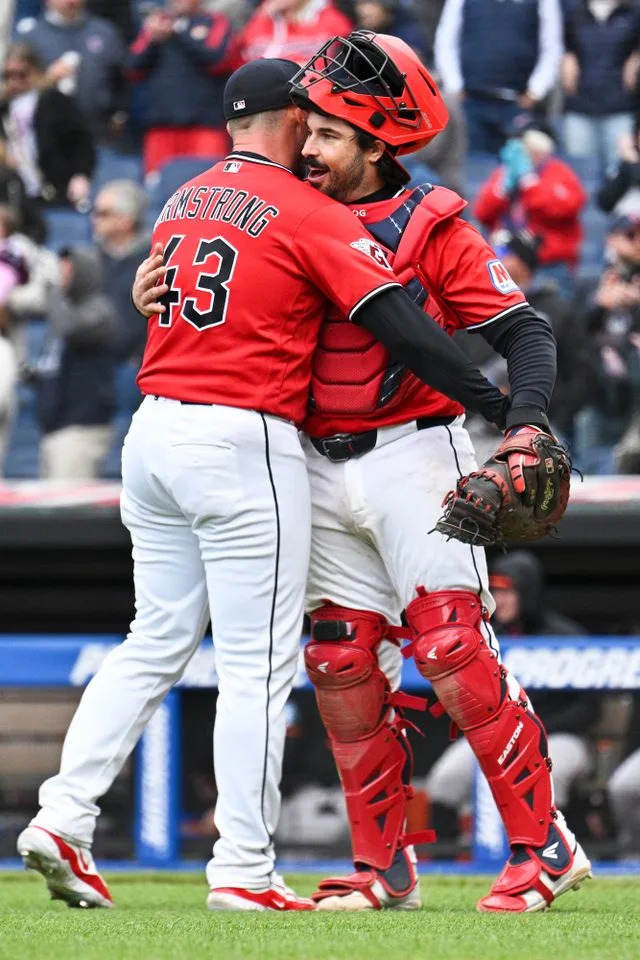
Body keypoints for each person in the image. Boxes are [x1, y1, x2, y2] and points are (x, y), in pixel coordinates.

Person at [16, 56, 511, 913]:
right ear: (288, 117)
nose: (319, 132)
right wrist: (502, 406)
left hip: (154, 432)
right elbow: (400, 325)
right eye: (311, 116)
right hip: (239, 437)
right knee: (256, 665)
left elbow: (182, 291)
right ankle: (243, 869)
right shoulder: (304, 204)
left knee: (152, 640)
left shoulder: (180, 196)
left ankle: (62, 813)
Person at [287, 30, 591, 913]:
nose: (309, 146)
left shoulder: (432, 223)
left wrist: (526, 424)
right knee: (342, 662)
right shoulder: (284, 208)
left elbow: (525, 331)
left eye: (331, 133)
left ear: (380, 140)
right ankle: (386, 869)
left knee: (454, 649)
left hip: (414, 450)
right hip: (310, 461)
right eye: (309, 127)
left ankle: (545, 846)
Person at [426, 550, 599, 841]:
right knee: (446, 778)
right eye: (495, 591)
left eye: (508, 592)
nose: (500, 599)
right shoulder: (485, 638)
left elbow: (589, 709)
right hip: (497, 732)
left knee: (549, 776)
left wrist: (533, 728)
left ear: (527, 593)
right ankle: (449, 859)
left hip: (558, 734)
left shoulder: (565, 636)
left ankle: (561, 854)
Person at [30, 245, 117, 479]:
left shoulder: (100, 311)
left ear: (84, 274)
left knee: (64, 511)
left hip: (80, 430)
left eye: (68, 272)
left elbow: (70, 329)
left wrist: (51, 291)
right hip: (55, 430)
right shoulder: (66, 310)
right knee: (47, 510)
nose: (62, 278)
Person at [434, 0, 563, 155]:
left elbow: (552, 47)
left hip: (517, 102)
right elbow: (446, 40)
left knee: (516, 169)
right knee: (473, 168)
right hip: (472, 101)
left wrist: (536, 90)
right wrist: (454, 86)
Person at [473, 120, 586, 294]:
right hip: (507, 262)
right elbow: (482, 212)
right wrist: (503, 188)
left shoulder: (559, 172)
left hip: (549, 263)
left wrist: (529, 182)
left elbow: (564, 209)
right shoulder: (505, 171)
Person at [126, 0, 235, 176]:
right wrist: (153, 40)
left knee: (209, 184)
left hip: (205, 125)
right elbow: (132, 69)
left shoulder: (215, 21)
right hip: (161, 126)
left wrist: (178, 31)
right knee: (157, 187)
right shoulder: (155, 25)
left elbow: (219, 59)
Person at [13, 0, 127, 141]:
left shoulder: (105, 32)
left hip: (98, 136)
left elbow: (122, 80)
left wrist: (119, 116)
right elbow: (16, 90)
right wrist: (47, 80)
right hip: (46, 139)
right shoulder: (31, 38)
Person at [0, 43, 95, 212]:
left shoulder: (54, 100)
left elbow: (81, 140)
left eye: (21, 75)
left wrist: (81, 174)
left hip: (54, 185)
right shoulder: (5, 107)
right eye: (8, 75)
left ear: (36, 71)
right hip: (17, 191)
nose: (14, 81)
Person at [561, 0, 640, 179]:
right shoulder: (574, 13)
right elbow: (557, 45)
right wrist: (566, 55)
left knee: (618, 176)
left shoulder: (633, 13)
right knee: (580, 177)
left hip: (620, 107)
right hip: (580, 105)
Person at [233, 0, 352, 67]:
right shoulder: (262, 18)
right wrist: (261, 16)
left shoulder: (331, 20)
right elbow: (236, 60)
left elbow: (331, 66)